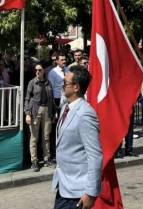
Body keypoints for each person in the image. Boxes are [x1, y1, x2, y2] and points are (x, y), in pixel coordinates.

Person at [51, 65, 102, 209]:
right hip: (64, 186)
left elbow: (95, 156)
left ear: (76, 87)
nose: (62, 85)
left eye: (65, 83)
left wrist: (90, 193)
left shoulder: (86, 114)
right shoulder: (65, 109)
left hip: (78, 193)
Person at [25, 63, 55, 172]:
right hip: (35, 111)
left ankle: (47, 159)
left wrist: (53, 113)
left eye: (40, 70)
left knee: (46, 136)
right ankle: (34, 160)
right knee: (34, 137)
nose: (38, 72)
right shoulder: (32, 83)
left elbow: (51, 99)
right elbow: (27, 99)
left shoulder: (48, 83)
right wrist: (27, 113)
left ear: (43, 71)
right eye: (36, 70)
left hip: (47, 110)